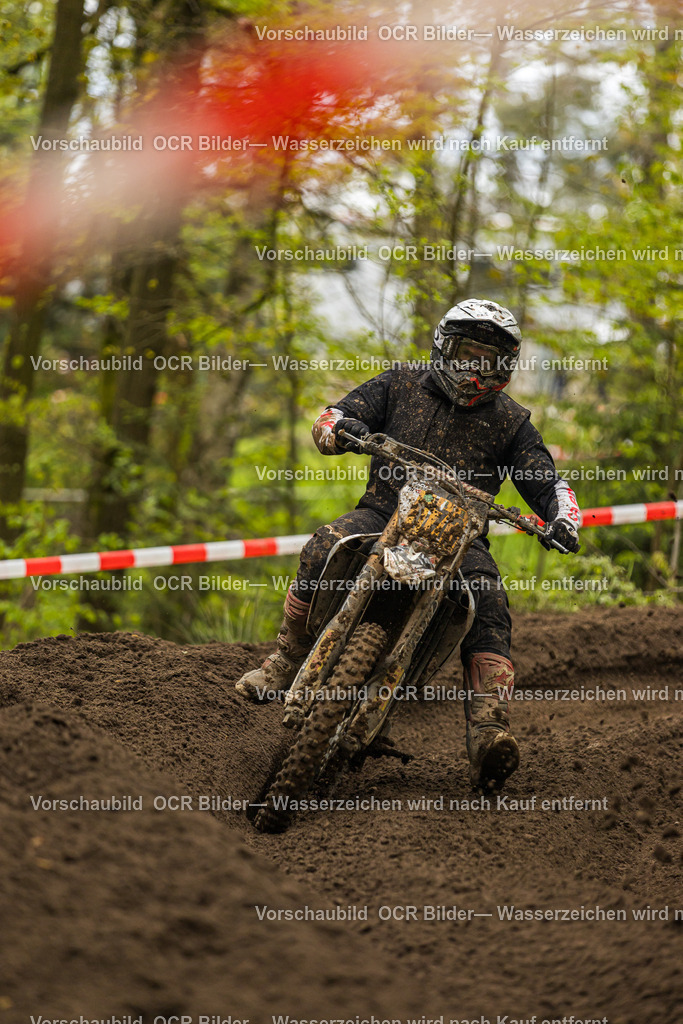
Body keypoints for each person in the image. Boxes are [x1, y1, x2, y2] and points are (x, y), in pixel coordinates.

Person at [235, 298, 580, 791]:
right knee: (321, 545)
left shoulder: (511, 422)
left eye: (490, 359)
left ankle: (487, 729)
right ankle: (287, 658)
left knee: (490, 605)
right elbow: (334, 415)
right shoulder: (399, 384)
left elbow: (546, 482)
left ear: (506, 366)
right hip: (382, 511)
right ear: (444, 346)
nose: (475, 367)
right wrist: (341, 430)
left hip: (462, 538)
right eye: (467, 353)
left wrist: (563, 518)